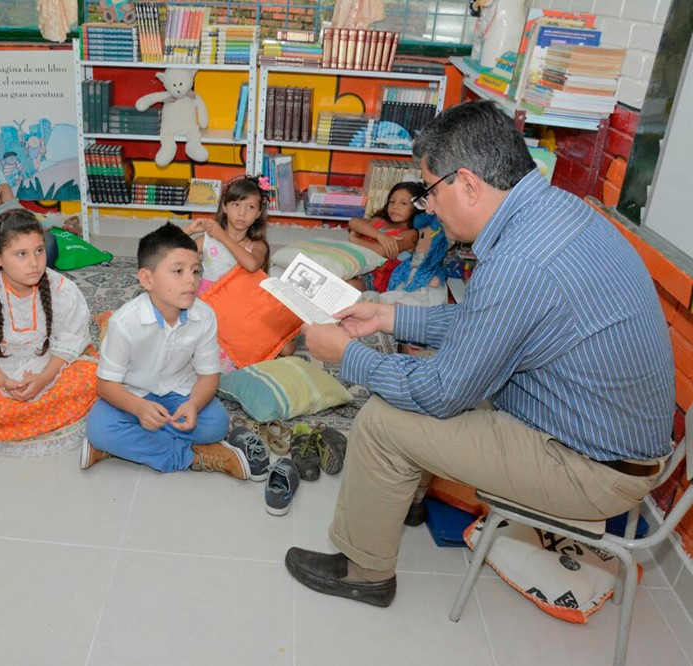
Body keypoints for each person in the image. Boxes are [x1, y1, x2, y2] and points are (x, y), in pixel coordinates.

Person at [285, 100, 675, 608]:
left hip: (593, 470)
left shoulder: (518, 261)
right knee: (423, 375)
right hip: (608, 439)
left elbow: (442, 393)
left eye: (429, 191)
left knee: (384, 421)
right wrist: (388, 317)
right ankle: (399, 499)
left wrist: (345, 354)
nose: (427, 207)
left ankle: (365, 572)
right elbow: (488, 327)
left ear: (466, 183)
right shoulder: (556, 212)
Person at [82, 222, 254, 480]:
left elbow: (209, 377)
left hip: (178, 393)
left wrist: (194, 404)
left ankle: (117, 448)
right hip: (132, 395)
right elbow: (106, 385)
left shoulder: (204, 315)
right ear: (146, 279)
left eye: (196, 271)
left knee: (216, 423)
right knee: (99, 428)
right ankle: (193, 456)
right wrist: (139, 408)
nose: (191, 280)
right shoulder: (124, 322)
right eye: (178, 271)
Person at [0, 209, 97, 457]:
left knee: (92, 377)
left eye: (39, 251)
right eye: (21, 254)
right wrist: (4, 382)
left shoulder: (63, 290)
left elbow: (69, 342)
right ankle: (42, 423)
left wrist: (43, 379)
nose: (34, 263)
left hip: (52, 370)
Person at [184, 174, 270, 294]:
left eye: (251, 207)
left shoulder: (256, 245)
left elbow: (252, 265)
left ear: (258, 213)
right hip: (206, 302)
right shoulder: (208, 240)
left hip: (235, 304)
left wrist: (223, 237)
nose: (242, 213)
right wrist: (189, 231)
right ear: (224, 206)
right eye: (236, 205)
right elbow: (171, 250)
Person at [346, 181, 421, 292]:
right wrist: (379, 236)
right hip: (354, 265)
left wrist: (354, 239)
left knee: (347, 287)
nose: (395, 206)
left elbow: (381, 251)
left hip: (375, 278)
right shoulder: (380, 222)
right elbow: (354, 222)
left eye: (403, 203)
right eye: (392, 201)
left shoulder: (411, 234)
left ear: (417, 208)